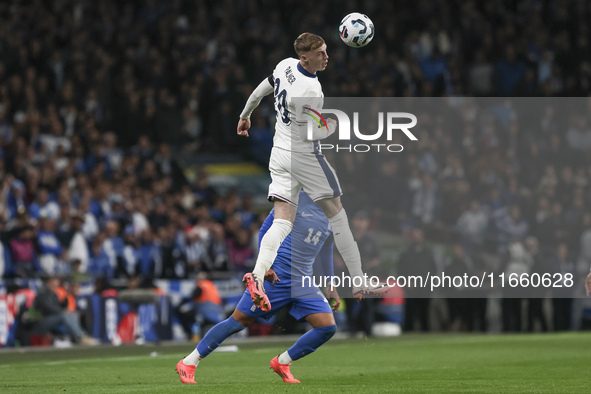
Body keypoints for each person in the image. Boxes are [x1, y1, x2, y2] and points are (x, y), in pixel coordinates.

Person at [236, 32, 379, 309]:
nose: (327, 57)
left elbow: (260, 90)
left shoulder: (284, 65)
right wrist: (334, 126)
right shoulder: (312, 91)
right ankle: (359, 280)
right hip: (303, 156)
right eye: (321, 53)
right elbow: (315, 133)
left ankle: (256, 274)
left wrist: (245, 115)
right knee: (338, 216)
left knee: (282, 222)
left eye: (326, 51)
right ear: (305, 57)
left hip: (278, 153)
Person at [176, 191, 340, 384]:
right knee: (237, 322)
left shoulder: (332, 214)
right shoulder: (296, 200)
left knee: (327, 327)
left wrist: (331, 284)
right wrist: (265, 265)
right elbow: (266, 229)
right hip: (276, 276)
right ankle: (189, 362)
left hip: (302, 281)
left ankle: (282, 362)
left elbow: (327, 249)